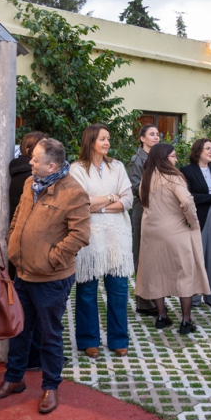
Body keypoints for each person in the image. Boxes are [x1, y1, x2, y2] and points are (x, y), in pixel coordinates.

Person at [0, 138, 90, 414]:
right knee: (19, 331)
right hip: (22, 272)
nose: (29, 161)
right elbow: (19, 215)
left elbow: (80, 235)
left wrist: (51, 259)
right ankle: (14, 379)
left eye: (35, 159)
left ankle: (50, 386)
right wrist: (13, 241)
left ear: (52, 165)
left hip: (51, 279)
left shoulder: (74, 193)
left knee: (49, 335)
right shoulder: (28, 184)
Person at [70, 124, 134, 357]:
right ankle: (89, 340)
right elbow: (79, 202)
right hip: (89, 239)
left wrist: (101, 208)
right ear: (90, 141)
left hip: (117, 238)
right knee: (86, 291)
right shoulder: (76, 169)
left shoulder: (117, 167)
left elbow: (127, 200)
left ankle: (118, 339)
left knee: (118, 290)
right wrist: (109, 197)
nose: (107, 143)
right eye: (102, 139)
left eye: (108, 139)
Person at [135, 143, 210, 334]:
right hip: (175, 231)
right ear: (164, 158)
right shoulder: (174, 177)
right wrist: (192, 222)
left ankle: (161, 316)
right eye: (173, 156)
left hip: (151, 232)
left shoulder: (147, 178)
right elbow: (186, 200)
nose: (176, 160)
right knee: (183, 273)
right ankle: (185, 321)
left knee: (157, 273)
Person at [7, 132, 46, 370]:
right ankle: (33, 357)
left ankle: (21, 363)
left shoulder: (14, 172)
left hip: (18, 249)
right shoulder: (30, 178)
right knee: (36, 308)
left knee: (23, 307)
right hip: (33, 252)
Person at [181, 137, 211, 308]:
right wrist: (210, 198)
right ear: (198, 150)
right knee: (194, 257)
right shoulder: (187, 170)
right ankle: (193, 298)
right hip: (195, 217)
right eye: (207, 148)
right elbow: (186, 196)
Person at [128, 124, 161, 316]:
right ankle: (144, 302)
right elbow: (135, 187)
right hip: (144, 211)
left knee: (155, 255)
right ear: (142, 138)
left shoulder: (158, 158)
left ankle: (155, 297)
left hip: (158, 212)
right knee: (142, 255)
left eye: (158, 134)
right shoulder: (137, 160)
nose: (156, 137)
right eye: (152, 134)